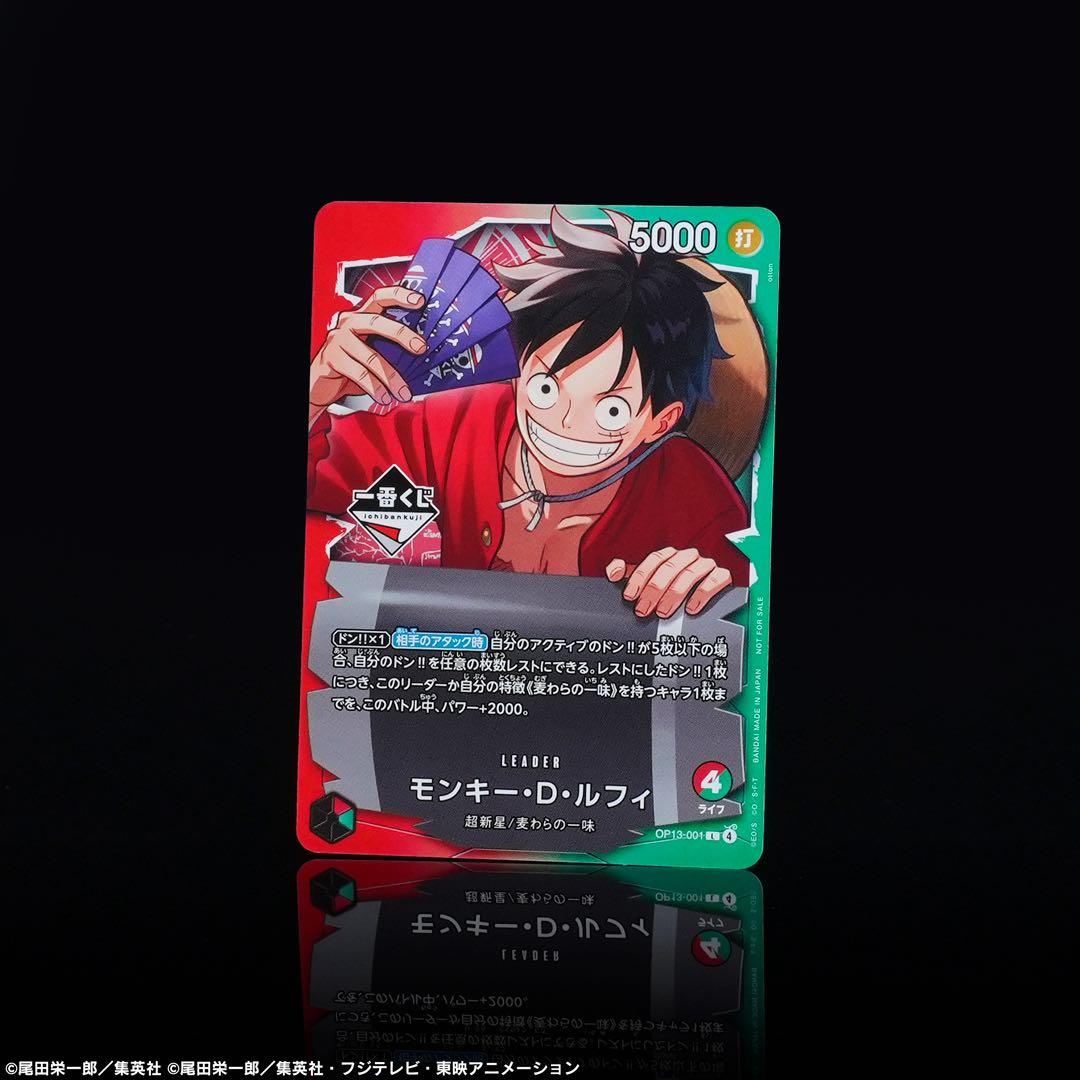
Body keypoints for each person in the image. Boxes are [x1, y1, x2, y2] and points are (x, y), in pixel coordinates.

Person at [307, 208, 749, 619]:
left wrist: (710, 587)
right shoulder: (456, 425)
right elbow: (320, 476)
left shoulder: (696, 498)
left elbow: (741, 614)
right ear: (519, 371)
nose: (564, 422)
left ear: (660, 422)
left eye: (612, 410)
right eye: (546, 387)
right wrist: (314, 394)